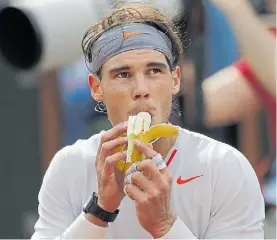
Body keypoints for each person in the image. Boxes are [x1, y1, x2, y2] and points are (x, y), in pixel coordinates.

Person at [31, 2, 265, 239]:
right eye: (123, 74)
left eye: (154, 71)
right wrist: (99, 211)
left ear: (175, 80)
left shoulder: (224, 166)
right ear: (96, 88)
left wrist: (164, 225)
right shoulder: (70, 166)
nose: (141, 89)